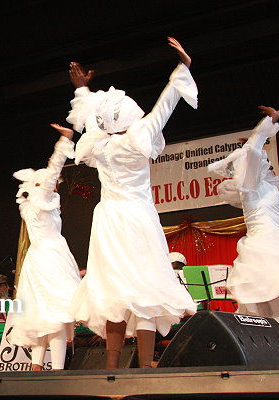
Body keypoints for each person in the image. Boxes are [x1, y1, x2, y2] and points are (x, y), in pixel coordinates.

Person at [68, 37, 197, 369]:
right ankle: (144, 363)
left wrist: (82, 89)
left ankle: (112, 366)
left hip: (110, 220)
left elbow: (91, 118)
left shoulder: (98, 144)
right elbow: (165, 105)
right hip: (138, 218)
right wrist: (182, 67)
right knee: (145, 287)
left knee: (115, 289)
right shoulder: (138, 138)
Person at [208, 105, 279, 330]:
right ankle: (271, 350)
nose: (265, 162)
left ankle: (268, 349)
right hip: (267, 249)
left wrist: (254, 143)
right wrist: (264, 128)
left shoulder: (262, 185)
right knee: (277, 316)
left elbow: (256, 155)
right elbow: (253, 153)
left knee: (271, 317)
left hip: (266, 246)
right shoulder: (250, 187)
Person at [8, 124, 81, 371]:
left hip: (39, 259)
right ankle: (57, 370)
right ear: (40, 185)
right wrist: (65, 141)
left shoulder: (31, 205)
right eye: (52, 183)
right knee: (57, 314)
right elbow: (53, 170)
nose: (55, 185)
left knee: (42, 315)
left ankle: (37, 368)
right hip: (50, 259)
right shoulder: (41, 200)